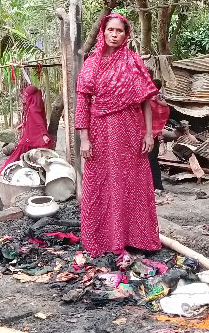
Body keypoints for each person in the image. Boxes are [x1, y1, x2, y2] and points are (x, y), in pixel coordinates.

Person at [76, 14, 161, 256]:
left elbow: (145, 100)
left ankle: (135, 238)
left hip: (130, 130)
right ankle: (102, 240)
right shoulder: (92, 63)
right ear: (103, 32)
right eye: (110, 30)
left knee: (132, 182)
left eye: (119, 31)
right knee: (100, 184)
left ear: (126, 35)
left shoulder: (133, 62)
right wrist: (84, 138)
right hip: (99, 131)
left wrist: (148, 134)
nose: (114, 34)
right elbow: (82, 102)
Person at [0, 85, 54, 173]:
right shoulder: (35, 105)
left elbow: (38, 122)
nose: (25, 97)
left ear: (31, 96)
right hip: (31, 133)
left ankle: (7, 169)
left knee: (20, 154)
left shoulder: (33, 108)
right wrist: (23, 124)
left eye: (26, 95)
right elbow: (31, 119)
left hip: (33, 134)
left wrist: (44, 134)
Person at [150, 78, 172, 193]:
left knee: (151, 160)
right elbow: (166, 108)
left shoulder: (152, 98)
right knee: (152, 159)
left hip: (149, 133)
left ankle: (156, 186)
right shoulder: (159, 98)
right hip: (155, 132)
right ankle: (156, 185)